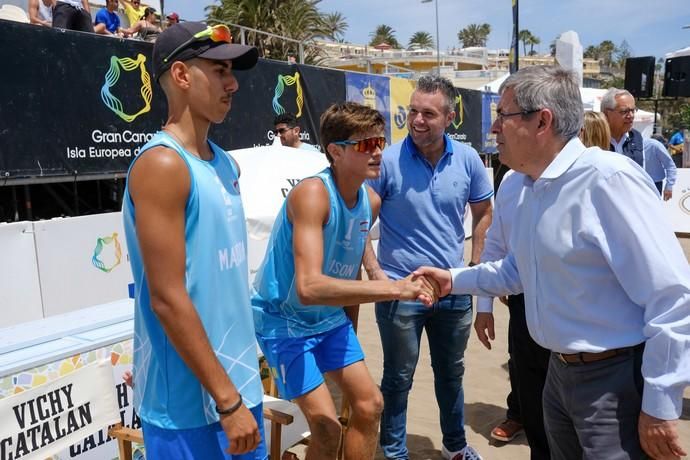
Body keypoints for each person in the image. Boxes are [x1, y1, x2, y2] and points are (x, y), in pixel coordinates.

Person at [416, 65, 690, 460]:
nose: (494, 129)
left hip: (612, 382)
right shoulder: (518, 184)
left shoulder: (609, 181)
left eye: (503, 116)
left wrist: (660, 404)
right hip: (556, 376)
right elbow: (516, 271)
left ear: (542, 120)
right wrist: (451, 280)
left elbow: (672, 296)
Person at [252, 102, 438, 460]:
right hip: (285, 322)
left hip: (328, 320)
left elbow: (357, 238)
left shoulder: (369, 200)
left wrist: (377, 272)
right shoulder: (312, 194)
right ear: (335, 152)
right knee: (326, 426)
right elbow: (309, 288)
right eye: (366, 144)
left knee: (370, 406)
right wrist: (394, 287)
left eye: (381, 141)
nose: (379, 151)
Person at [122, 21, 267, 459]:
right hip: (191, 408)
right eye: (219, 70)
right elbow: (167, 298)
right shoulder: (163, 166)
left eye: (232, 72)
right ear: (182, 76)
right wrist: (227, 399)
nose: (233, 84)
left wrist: (241, 389)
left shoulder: (226, 165)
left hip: (239, 388)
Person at [363, 75, 494, 460]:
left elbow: (484, 211)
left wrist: (473, 268)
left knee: (452, 375)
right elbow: (357, 220)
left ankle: (455, 447)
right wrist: (377, 276)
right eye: (412, 112)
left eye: (428, 114)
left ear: (450, 117)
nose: (417, 121)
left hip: (453, 289)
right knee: (398, 378)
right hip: (401, 293)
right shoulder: (388, 160)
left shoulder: (468, 159)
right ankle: (393, 452)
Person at [474, 169, 551, 460]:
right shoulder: (511, 182)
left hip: (580, 318)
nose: (495, 130)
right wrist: (484, 306)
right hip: (522, 302)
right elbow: (496, 248)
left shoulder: (601, 177)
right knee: (530, 395)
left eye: (505, 120)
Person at [602, 88, 676, 200]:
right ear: (607, 113)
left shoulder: (638, 141)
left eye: (633, 110)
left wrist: (669, 186)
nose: (631, 115)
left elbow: (670, 166)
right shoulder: (594, 141)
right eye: (624, 111)